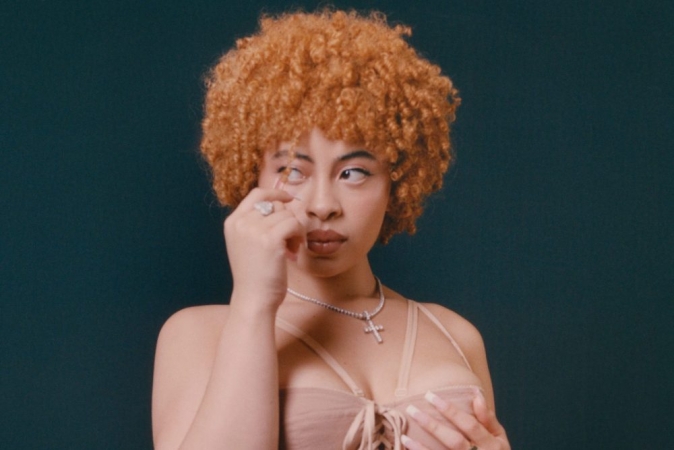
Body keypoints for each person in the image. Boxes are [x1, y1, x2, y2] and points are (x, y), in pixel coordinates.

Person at [152, 9, 510, 450]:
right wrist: (254, 304)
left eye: (353, 173)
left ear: (397, 180)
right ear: (252, 177)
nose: (322, 205)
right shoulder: (199, 334)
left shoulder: (457, 335)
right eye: (293, 171)